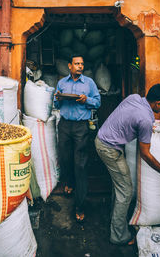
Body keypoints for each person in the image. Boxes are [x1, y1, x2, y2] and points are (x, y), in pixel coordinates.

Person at [94, 84, 160, 245]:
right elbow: (146, 154)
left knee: (119, 185)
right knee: (126, 191)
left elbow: (128, 119)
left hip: (103, 139)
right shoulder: (146, 120)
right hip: (109, 149)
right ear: (158, 103)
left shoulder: (134, 98)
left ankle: (115, 218)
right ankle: (118, 235)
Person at [54, 54, 101, 223]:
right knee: (65, 159)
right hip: (65, 125)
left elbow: (97, 102)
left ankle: (80, 205)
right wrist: (58, 98)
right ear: (69, 66)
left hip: (81, 126)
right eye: (77, 64)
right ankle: (69, 182)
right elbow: (56, 104)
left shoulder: (89, 83)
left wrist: (86, 100)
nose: (80, 66)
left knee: (80, 164)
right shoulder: (62, 83)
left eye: (82, 64)